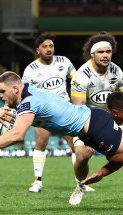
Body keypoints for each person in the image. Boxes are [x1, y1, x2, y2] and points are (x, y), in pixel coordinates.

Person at [69, 31, 123, 206]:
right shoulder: (81, 76)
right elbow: (78, 110)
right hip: (87, 122)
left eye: (108, 52)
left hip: (114, 120)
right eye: (100, 52)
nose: (105, 55)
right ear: (92, 54)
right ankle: (80, 185)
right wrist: (89, 136)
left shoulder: (116, 70)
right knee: (81, 155)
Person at [21, 33, 85, 193]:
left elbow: (77, 80)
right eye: (45, 47)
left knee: (74, 145)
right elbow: (24, 92)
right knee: (41, 142)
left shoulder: (64, 61)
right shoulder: (31, 69)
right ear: (38, 50)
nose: (49, 49)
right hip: (43, 111)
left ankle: (81, 182)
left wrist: (78, 101)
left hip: (65, 110)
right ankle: (37, 182)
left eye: (51, 46)